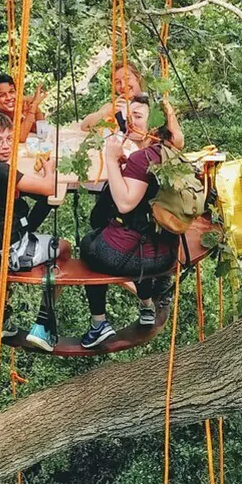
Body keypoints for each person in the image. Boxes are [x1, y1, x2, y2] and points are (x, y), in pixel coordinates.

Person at [79, 95, 178, 348]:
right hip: (165, 255)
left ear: (153, 126)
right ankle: (146, 304)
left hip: (137, 257)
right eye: (128, 115)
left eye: (138, 116)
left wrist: (111, 159)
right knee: (123, 231)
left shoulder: (139, 159)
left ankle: (98, 323)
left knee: (90, 243)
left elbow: (124, 203)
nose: (130, 121)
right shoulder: (169, 151)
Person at [0, 112, 71, 351]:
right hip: (5, 254)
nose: (5, 146)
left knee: (26, 234)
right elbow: (48, 187)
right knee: (64, 248)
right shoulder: (1, 172)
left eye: (8, 139)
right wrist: (49, 168)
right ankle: (43, 324)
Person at [80, 62, 185, 149]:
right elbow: (85, 126)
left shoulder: (158, 104)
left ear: (138, 78)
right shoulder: (113, 107)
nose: (123, 85)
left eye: (127, 79)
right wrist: (106, 113)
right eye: (117, 82)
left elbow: (179, 141)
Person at [0, 73, 47, 143]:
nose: (9, 97)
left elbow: (41, 131)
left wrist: (34, 105)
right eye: (2, 95)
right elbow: (20, 138)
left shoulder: (21, 108)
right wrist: (34, 105)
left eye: (11, 92)